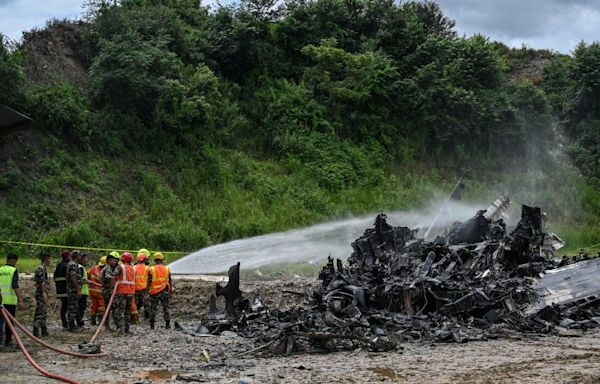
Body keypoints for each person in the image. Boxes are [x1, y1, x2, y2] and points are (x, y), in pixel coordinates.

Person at [0, 253, 24, 348]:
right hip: (9, 301)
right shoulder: (13, 270)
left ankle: (1, 340)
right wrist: (20, 300)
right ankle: (8, 341)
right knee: (9, 323)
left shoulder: (0, 269)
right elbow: (15, 286)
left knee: (0, 321)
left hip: (0, 301)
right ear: (13, 260)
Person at [113, 252, 136, 334]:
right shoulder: (133, 268)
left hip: (121, 292)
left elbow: (114, 276)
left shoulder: (120, 267)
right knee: (127, 311)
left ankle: (121, 330)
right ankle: (127, 329)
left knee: (119, 311)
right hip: (131, 292)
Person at [149, 252, 172, 330]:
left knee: (153, 309)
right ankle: (167, 325)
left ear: (155, 260)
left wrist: (146, 293)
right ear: (162, 259)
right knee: (166, 308)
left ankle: (152, 326)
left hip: (154, 292)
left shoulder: (151, 269)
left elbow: (148, 281)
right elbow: (170, 281)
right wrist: (170, 292)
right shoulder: (167, 268)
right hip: (164, 291)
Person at [33, 252, 51, 337]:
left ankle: (44, 330)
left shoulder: (43, 268)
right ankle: (36, 330)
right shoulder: (41, 268)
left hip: (42, 293)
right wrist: (44, 293)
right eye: (49, 259)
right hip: (40, 293)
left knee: (43, 311)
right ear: (46, 258)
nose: (50, 261)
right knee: (40, 312)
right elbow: (41, 282)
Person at [101, 251, 120, 331]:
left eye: (116, 260)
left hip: (109, 290)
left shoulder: (113, 267)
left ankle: (114, 325)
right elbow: (107, 276)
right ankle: (111, 326)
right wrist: (112, 278)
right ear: (108, 260)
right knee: (112, 308)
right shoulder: (108, 267)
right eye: (113, 260)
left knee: (112, 308)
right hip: (107, 291)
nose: (115, 262)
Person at [54, 250, 70, 330]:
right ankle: (69, 325)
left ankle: (65, 325)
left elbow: (55, 278)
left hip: (60, 291)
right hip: (67, 290)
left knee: (63, 308)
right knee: (69, 308)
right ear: (67, 257)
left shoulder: (59, 266)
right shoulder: (67, 266)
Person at [66, 251, 82, 331]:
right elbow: (73, 277)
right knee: (72, 307)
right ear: (76, 256)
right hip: (73, 290)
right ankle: (71, 326)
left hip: (73, 289)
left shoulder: (74, 264)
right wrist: (78, 289)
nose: (81, 257)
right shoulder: (72, 264)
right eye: (79, 255)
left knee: (74, 307)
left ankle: (72, 325)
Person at [88, 256, 106, 325]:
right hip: (100, 291)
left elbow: (87, 276)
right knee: (101, 306)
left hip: (92, 291)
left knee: (94, 305)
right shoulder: (105, 270)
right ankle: (101, 321)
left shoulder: (93, 268)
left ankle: (92, 321)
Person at [135, 249, 151, 319]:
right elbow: (151, 279)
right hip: (144, 289)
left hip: (134, 289)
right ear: (144, 260)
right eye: (147, 259)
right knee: (146, 305)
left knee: (136, 304)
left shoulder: (133, 267)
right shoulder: (148, 268)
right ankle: (147, 317)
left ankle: (134, 316)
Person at [77, 252, 91, 328]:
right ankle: (79, 324)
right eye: (85, 258)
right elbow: (80, 280)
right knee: (80, 309)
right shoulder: (80, 267)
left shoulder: (80, 267)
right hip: (81, 292)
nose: (86, 260)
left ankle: (79, 323)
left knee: (80, 308)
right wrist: (90, 282)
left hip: (82, 291)